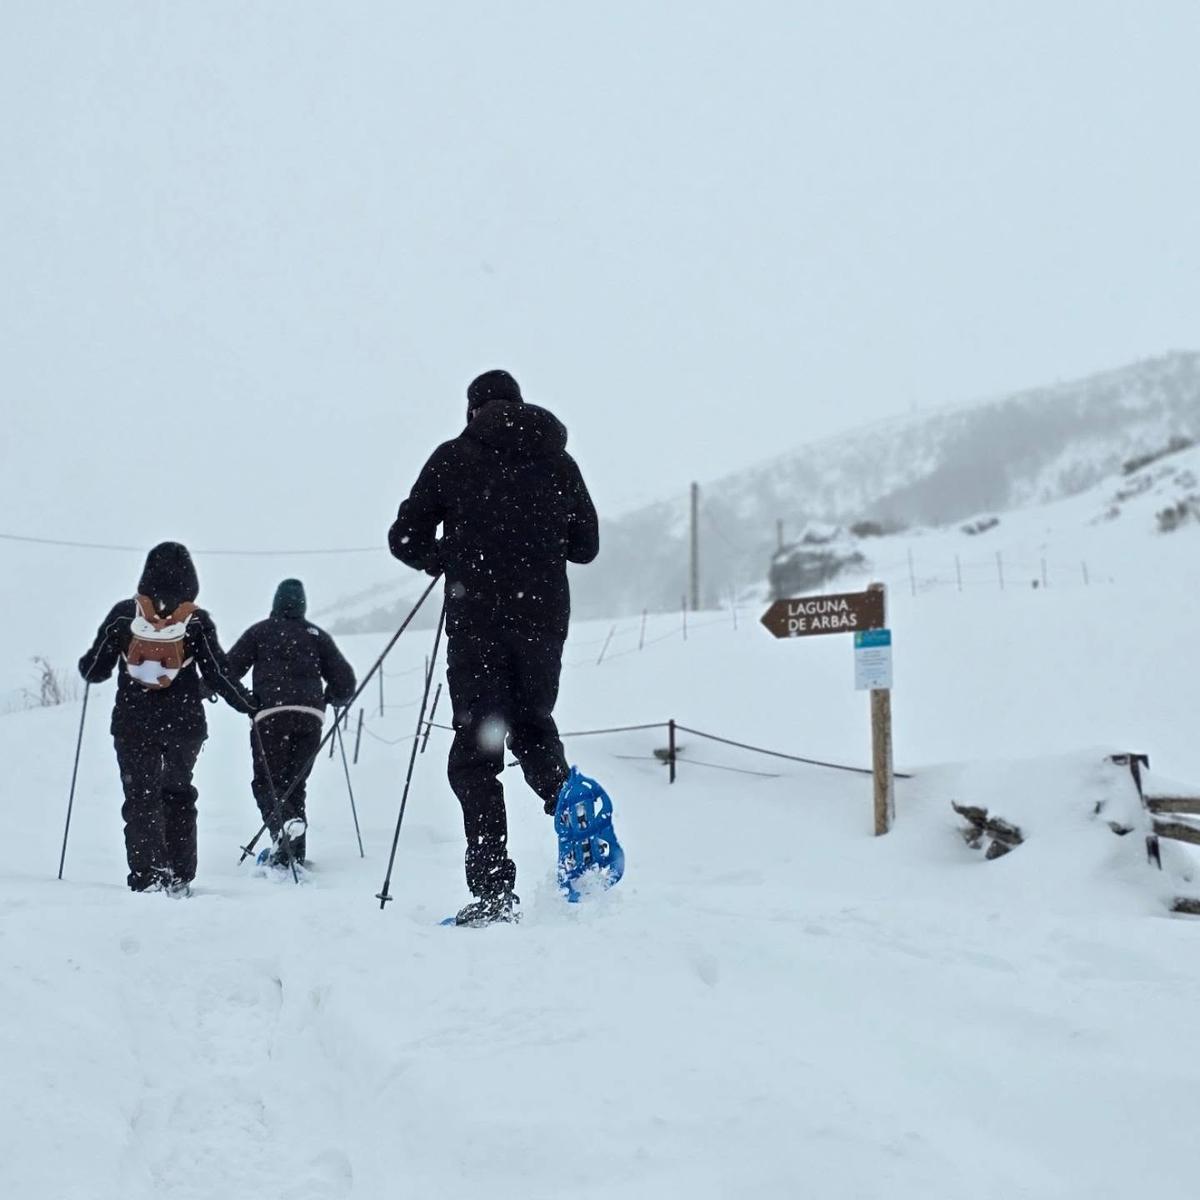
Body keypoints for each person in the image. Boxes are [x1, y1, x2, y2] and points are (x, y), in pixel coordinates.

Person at [388, 369, 599, 925]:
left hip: (478, 622)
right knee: (532, 727)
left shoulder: (454, 456)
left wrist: (449, 558)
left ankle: (493, 891)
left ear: (472, 410)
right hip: (543, 622)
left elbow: (404, 538)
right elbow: (587, 546)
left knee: (477, 758)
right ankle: (568, 804)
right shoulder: (559, 461)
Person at [77, 541, 257, 895]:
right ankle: (180, 874)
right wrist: (250, 704)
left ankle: (148, 876)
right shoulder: (196, 620)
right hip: (184, 726)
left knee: (141, 796)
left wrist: (90, 664)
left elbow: (94, 670)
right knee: (177, 793)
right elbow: (219, 673)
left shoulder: (123, 615)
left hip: (133, 724)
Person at [227, 579, 356, 866]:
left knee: (268, 783)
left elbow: (227, 670)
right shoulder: (315, 635)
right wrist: (332, 696)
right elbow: (346, 682)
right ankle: (291, 854)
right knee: (295, 784)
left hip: (271, 716)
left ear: (275, 602)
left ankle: (284, 826)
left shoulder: (260, 632)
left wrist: (245, 699)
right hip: (310, 717)